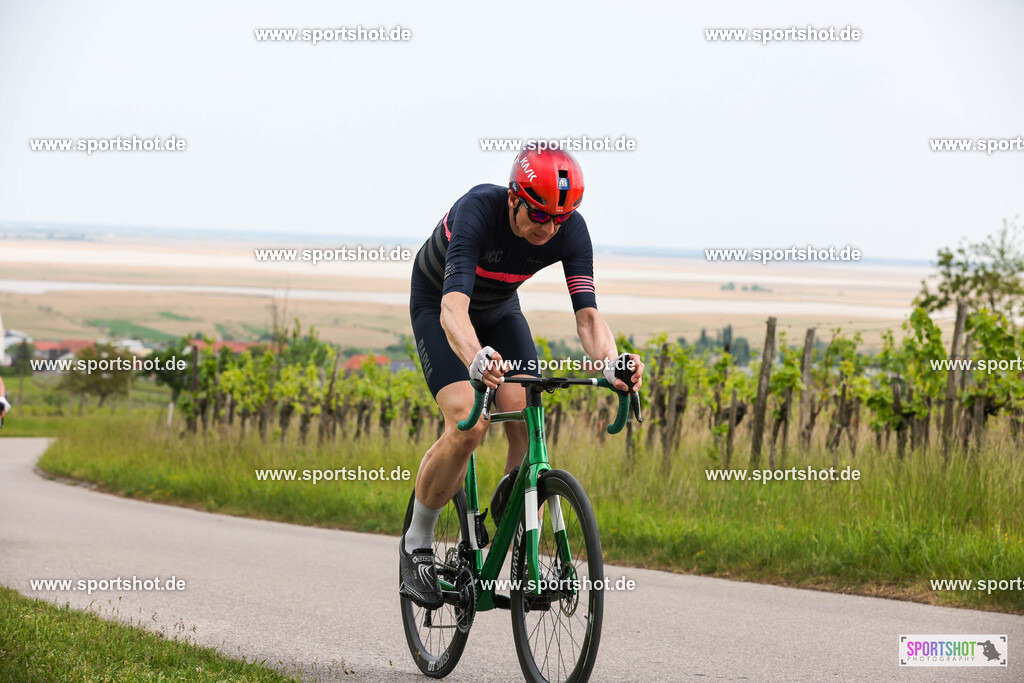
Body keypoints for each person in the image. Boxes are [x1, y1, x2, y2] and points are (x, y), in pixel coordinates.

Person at [400, 146, 644, 608]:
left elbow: (588, 319)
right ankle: (417, 543)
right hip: (441, 306)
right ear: (514, 198)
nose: (549, 227)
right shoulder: (478, 210)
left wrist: (612, 363)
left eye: (560, 218)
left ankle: (511, 508)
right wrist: (474, 359)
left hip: (499, 310)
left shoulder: (568, 229)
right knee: (468, 425)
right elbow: (454, 308)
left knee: (524, 416)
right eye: (539, 214)